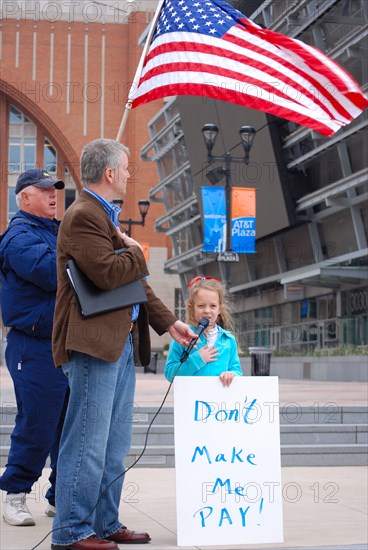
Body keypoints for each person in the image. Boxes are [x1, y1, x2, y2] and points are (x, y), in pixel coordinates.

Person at [51, 138, 196, 549]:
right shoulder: (83, 216)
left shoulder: (104, 216)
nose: (131, 174)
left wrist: (169, 324)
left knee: (114, 446)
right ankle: (72, 532)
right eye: (127, 168)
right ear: (110, 173)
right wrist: (135, 250)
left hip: (115, 346)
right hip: (92, 346)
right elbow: (109, 274)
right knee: (87, 443)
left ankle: (105, 522)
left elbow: (132, 282)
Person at [0, 169, 69, 526]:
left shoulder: (57, 232)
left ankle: (61, 496)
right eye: (44, 190)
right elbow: (52, 272)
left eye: (55, 189)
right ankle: (15, 495)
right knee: (38, 419)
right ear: (25, 197)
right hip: (33, 344)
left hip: (64, 342)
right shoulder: (18, 236)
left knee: (69, 423)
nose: (53, 194)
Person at [164, 276, 243, 386]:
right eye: (201, 306)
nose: (207, 311)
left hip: (219, 401)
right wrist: (197, 359)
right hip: (192, 400)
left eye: (213, 306)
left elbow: (237, 371)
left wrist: (232, 374)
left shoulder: (229, 339)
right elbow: (170, 373)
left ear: (219, 308)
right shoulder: (183, 337)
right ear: (192, 308)